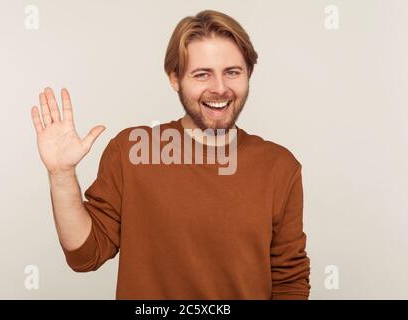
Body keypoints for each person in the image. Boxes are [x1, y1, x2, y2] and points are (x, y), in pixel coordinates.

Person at [30, 9, 310, 299]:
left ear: (248, 74)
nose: (219, 88)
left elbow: (290, 279)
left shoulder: (279, 166)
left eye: (232, 72)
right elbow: (85, 256)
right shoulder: (132, 151)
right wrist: (61, 174)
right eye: (202, 74)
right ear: (175, 78)